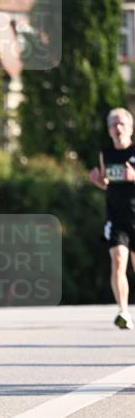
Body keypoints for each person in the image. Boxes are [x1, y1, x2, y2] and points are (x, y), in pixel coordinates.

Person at [89, 107, 135, 329]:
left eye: (121, 123)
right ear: (108, 130)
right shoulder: (105, 154)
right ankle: (123, 311)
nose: (117, 128)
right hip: (116, 219)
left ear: (130, 127)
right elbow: (108, 184)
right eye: (113, 124)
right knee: (117, 262)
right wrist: (99, 181)